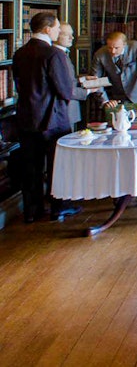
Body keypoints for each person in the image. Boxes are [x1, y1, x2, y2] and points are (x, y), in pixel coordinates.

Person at [11, 13, 78, 223]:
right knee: (58, 166)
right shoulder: (53, 55)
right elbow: (66, 91)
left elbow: (19, 84)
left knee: (31, 168)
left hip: (26, 118)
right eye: (57, 28)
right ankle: (59, 207)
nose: (59, 32)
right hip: (52, 120)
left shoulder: (20, 53)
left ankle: (32, 211)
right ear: (48, 29)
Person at [92, 31, 137, 110]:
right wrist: (105, 100)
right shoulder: (99, 55)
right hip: (118, 97)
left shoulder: (136, 47)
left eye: (116, 48)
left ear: (124, 45)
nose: (113, 51)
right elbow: (96, 79)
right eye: (109, 47)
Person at [56, 23, 95, 130]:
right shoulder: (57, 56)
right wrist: (88, 91)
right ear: (56, 35)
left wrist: (82, 79)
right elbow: (64, 87)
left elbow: (65, 80)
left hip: (69, 109)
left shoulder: (62, 53)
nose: (71, 37)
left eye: (71, 34)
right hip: (64, 110)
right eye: (66, 34)